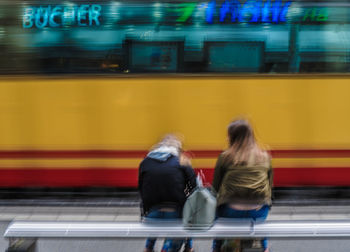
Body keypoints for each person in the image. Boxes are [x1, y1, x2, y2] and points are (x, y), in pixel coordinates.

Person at [212, 119, 273, 252]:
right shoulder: (264, 156)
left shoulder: (225, 157)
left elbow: (215, 188)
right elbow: (269, 185)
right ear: (251, 135)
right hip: (259, 209)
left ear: (231, 136)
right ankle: (263, 247)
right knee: (259, 232)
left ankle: (218, 247)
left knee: (219, 236)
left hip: (230, 209)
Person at [138, 134, 197, 252]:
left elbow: (142, 189)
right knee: (189, 214)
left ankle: (148, 246)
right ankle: (188, 246)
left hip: (151, 214)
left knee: (156, 215)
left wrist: (145, 212)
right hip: (175, 213)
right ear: (178, 149)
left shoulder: (145, 162)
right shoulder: (182, 161)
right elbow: (194, 188)